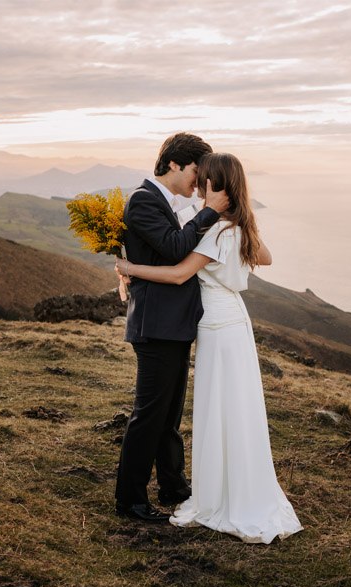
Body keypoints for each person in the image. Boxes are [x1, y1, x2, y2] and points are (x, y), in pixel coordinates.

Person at [117, 153, 303, 544]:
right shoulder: (236, 228)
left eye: (206, 180)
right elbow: (264, 257)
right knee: (236, 406)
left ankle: (219, 493)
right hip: (234, 319)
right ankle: (228, 487)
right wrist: (240, 224)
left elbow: (180, 272)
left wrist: (129, 269)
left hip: (217, 326)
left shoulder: (214, 231)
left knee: (219, 406)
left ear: (216, 185)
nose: (198, 184)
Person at [114, 133, 230, 523]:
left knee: (168, 416)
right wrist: (210, 210)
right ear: (177, 164)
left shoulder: (163, 202)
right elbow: (176, 247)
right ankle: (130, 499)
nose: (200, 182)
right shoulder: (144, 199)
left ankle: (173, 485)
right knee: (149, 415)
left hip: (172, 326)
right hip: (156, 326)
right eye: (198, 171)